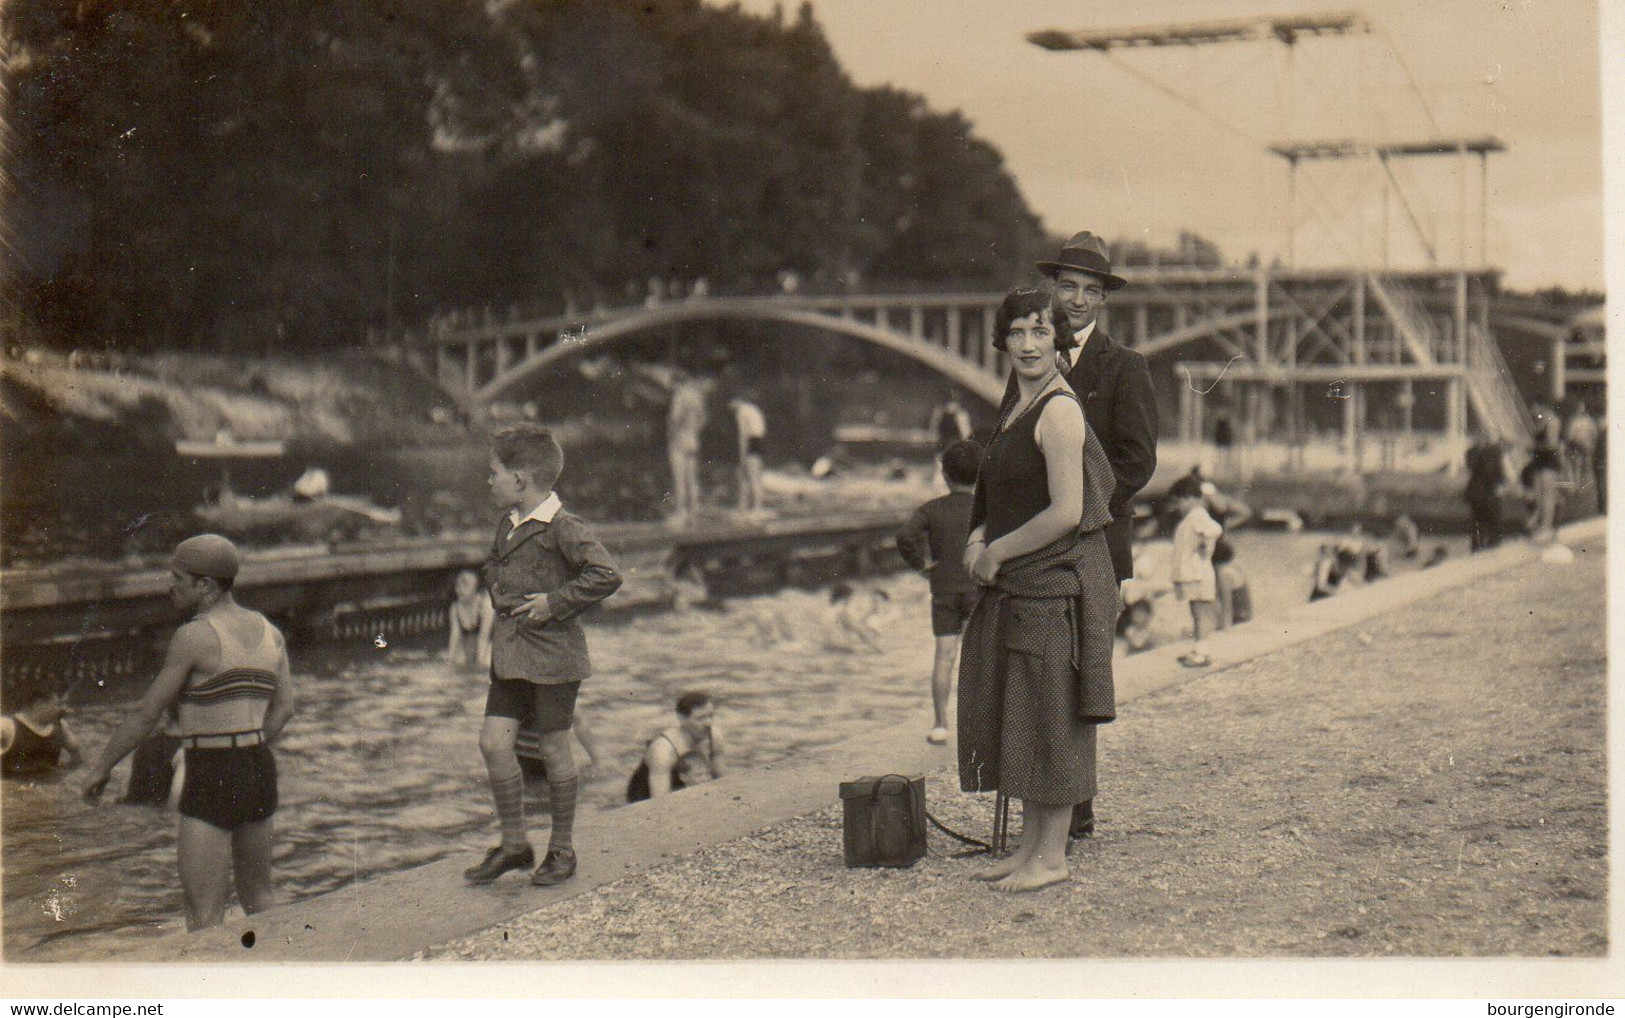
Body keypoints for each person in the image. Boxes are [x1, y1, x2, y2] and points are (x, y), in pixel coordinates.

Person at [956, 286, 1118, 893]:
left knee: (1052, 721)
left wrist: (996, 550)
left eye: (1041, 333)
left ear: (1059, 341)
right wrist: (975, 539)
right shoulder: (1017, 407)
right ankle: (1028, 848)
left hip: (1054, 589)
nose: (1027, 345)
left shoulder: (1059, 410)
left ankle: (1051, 858)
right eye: (1018, 332)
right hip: (1020, 589)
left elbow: (1067, 511)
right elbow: (995, 496)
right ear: (1003, 341)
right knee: (1023, 716)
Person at [81, 534, 295, 931]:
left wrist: (101, 768)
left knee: (203, 916)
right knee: (261, 898)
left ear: (206, 586)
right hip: (259, 767)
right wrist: (250, 745)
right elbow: (285, 709)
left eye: (177, 578)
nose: (170, 586)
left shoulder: (193, 636)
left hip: (212, 768)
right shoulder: (271, 633)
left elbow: (147, 715)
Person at [1029, 231, 1157, 841]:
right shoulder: (1030, 357)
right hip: (1037, 545)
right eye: (1068, 287)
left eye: (1089, 291)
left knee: (1084, 675)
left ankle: (1074, 803)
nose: (1076, 300)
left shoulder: (1125, 368)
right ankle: (1046, 796)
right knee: (1039, 671)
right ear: (1053, 290)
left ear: (1104, 300)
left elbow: (1139, 461)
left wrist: (1082, 508)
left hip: (1097, 544)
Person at [465, 424, 623, 888]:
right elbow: (494, 562)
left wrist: (554, 602)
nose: (488, 481)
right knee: (494, 744)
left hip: (555, 657)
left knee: (554, 747)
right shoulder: (508, 522)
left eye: (493, 473)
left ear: (520, 479)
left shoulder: (564, 527)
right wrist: (496, 585)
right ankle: (515, 845)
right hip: (511, 655)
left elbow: (607, 574)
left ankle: (561, 849)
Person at [894, 439, 982, 744]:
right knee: (975, 656)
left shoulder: (932, 509)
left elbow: (905, 535)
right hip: (977, 586)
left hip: (943, 588)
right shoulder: (986, 510)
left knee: (944, 656)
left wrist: (921, 565)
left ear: (944, 475)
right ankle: (976, 723)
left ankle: (941, 724)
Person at [626, 692, 727, 802]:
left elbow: (721, 781)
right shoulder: (663, 751)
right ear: (682, 719)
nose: (708, 723)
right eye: (700, 718)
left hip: (685, 780)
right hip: (645, 794)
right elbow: (659, 802)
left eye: (710, 716)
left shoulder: (714, 737)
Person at [1168, 478, 1222, 668]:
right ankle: (1199, 649)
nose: (1178, 507)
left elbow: (1214, 529)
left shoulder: (1198, 515)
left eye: (1179, 502)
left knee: (1200, 613)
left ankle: (1202, 653)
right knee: (1197, 612)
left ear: (1191, 498)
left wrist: (1205, 547)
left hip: (1197, 573)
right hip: (1194, 573)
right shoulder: (1194, 517)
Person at [2, 687, 82, 777]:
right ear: (38, 704)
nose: (65, 709)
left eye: (65, 703)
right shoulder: (7, 726)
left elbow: (76, 758)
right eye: (59, 704)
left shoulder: (61, 726)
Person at [666, 369, 708, 522]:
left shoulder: (679, 396)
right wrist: (693, 429)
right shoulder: (696, 396)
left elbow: (675, 418)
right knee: (692, 478)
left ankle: (681, 512)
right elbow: (703, 419)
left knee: (679, 478)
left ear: (676, 383)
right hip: (693, 438)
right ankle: (694, 511)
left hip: (679, 438)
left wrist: (671, 431)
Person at [1464, 431, 1507, 552]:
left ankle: (1477, 549)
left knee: (1477, 524)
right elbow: (1492, 473)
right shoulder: (1494, 453)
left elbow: (1471, 467)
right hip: (1488, 494)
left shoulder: (1475, 451)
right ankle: (1491, 549)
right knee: (1493, 523)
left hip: (1475, 493)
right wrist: (1499, 484)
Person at [446, 569, 495, 672]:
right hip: (471, 643)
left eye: (465, 586)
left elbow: (484, 636)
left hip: (492, 642)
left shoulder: (485, 605)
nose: (460, 590)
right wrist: (449, 661)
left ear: (475, 589)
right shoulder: (455, 608)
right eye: (458, 586)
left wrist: (479, 665)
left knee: (486, 663)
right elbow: (455, 636)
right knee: (458, 661)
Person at [1526, 413, 1563, 542]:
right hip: (1540, 464)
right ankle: (1540, 526)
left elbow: (1553, 445)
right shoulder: (1541, 422)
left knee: (1548, 497)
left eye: (1535, 408)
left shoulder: (1552, 421)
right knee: (1539, 496)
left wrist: (1534, 447)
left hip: (1549, 464)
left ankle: (1546, 528)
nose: (1533, 411)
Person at [730, 393, 767, 513]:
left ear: (736, 400)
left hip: (751, 442)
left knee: (748, 476)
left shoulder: (741, 411)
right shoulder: (753, 408)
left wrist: (742, 455)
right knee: (754, 476)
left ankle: (754, 508)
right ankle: (748, 506)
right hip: (759, 441)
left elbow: (743, 434)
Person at [1212, 537, 1252, 629]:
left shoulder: (1223, 573)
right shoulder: (1234, 567)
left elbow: (1227, 605)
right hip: (1245, 617)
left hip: (1238, 620)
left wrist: (1225, 629)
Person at [1564, 400, 1598, 486]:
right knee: (1583, 465)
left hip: (1583, 446)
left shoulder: (1580, 421)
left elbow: (1570, 435)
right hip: (1581, 446)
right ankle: (1582, 484)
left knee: (1581, 466)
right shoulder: (1587, 421)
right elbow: (1595, 434)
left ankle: (1581, 484)